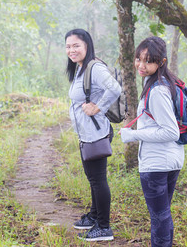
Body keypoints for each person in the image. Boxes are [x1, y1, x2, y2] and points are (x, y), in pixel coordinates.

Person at [120, 36, 183, 247]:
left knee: (160, 218)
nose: (141, 65)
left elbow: (171, 131)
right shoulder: (164, 83)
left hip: (157, 163)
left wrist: (134, 134)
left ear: (162, 62)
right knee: (163, 215)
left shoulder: (157, 91)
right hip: (170, 160)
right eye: (139, 58)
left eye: (148, 60)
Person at [65, 28, 121, 242]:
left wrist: (98, 107)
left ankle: (104, 227)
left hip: (96, 133)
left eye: (76, 45)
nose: (71, 50)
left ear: (87, 46)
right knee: (93, 179)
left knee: (98, 180)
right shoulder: (80, 68)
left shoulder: (94, 67)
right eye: (68, 46)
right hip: (87, 134)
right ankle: (95, 216)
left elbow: (114, 88)